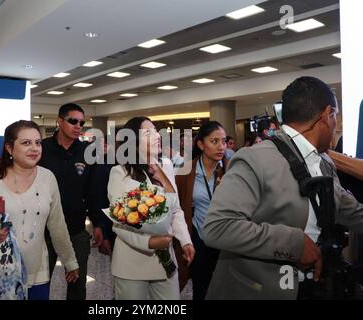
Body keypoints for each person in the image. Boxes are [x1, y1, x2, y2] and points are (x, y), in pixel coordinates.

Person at [202, 76, 363, 300]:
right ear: (327, 115)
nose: (336, 126)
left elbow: (346, 208)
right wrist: (294, 244)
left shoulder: (324, 162)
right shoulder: (254, 159)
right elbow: (218, 227)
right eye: (336, 117)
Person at [0, 120, 79, 299]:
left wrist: (70, 261)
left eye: (38, 142)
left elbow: (57, 223)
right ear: (9, 148)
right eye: (26, 143)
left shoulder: (47, 178)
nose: (34, 148)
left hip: (36, 274)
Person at [107, 116, 195, 300]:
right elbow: (120, 223)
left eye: (155, 130)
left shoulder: (167, 165)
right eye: (148, 132)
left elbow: (176, 209)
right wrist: (149, 243)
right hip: (132, 264)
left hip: (165, 261)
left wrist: (185, 240)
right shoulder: (120, 172)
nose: (157, 135)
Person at [39, 103, 103, 300]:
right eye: (73, 121)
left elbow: (93, 192)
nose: (78, 126)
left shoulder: (87, 152)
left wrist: (98, 224)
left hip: (76, 231)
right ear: (59, 121)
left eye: (82, 122)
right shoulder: (42, 149)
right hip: (44, 232)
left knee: (77, 286)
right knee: (40, 283)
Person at [175, 121, 226, 299]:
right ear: (200, 144)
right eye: (214, 141)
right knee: (201, 288)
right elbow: (178, 208)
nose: (221, 147)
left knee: (223, 289)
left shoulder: (231, 170)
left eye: (224, 141)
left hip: (226, 241)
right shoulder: (185, 172)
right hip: (199, 238)